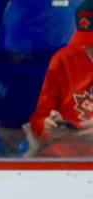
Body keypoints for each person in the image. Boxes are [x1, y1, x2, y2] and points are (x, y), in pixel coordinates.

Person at [27, 0, 93, 157]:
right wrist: (48, 126)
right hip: (63, 162)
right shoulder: (64, 59)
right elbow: (39, 120)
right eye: (86, 44)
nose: (89, 50)